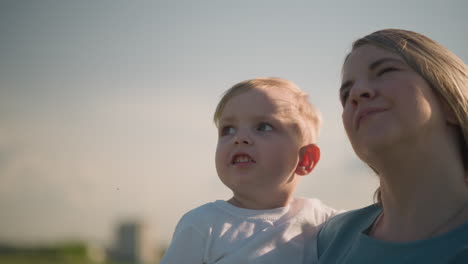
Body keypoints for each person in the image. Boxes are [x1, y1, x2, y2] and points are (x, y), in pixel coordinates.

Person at [316, 29, 468, 263]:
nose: (356, 93)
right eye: (346, 94)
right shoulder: (329, 236)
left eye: (386, 70)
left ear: (448, 100)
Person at [161, 77, 338, 264]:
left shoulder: (323, 221)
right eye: (228, 129)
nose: (239, 138)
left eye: (263, 126)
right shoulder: (203, 224)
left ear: (305, 159)